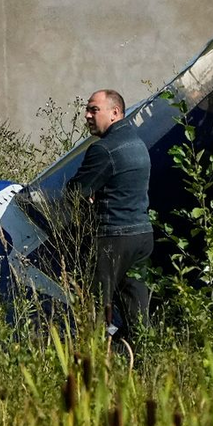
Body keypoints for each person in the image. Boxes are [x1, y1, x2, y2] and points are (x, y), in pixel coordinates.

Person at [66, 89, 153, 336]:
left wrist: (85, 193)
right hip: (142, 236)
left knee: (94, 311)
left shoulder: (104, 149)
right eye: (87, 109)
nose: (87, 115)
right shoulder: (138, 144)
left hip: (113, 238)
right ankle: (144, 363)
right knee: (138, 313)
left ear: (115, 113)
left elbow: (75, 192)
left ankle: (94, 362)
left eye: (94, 110)